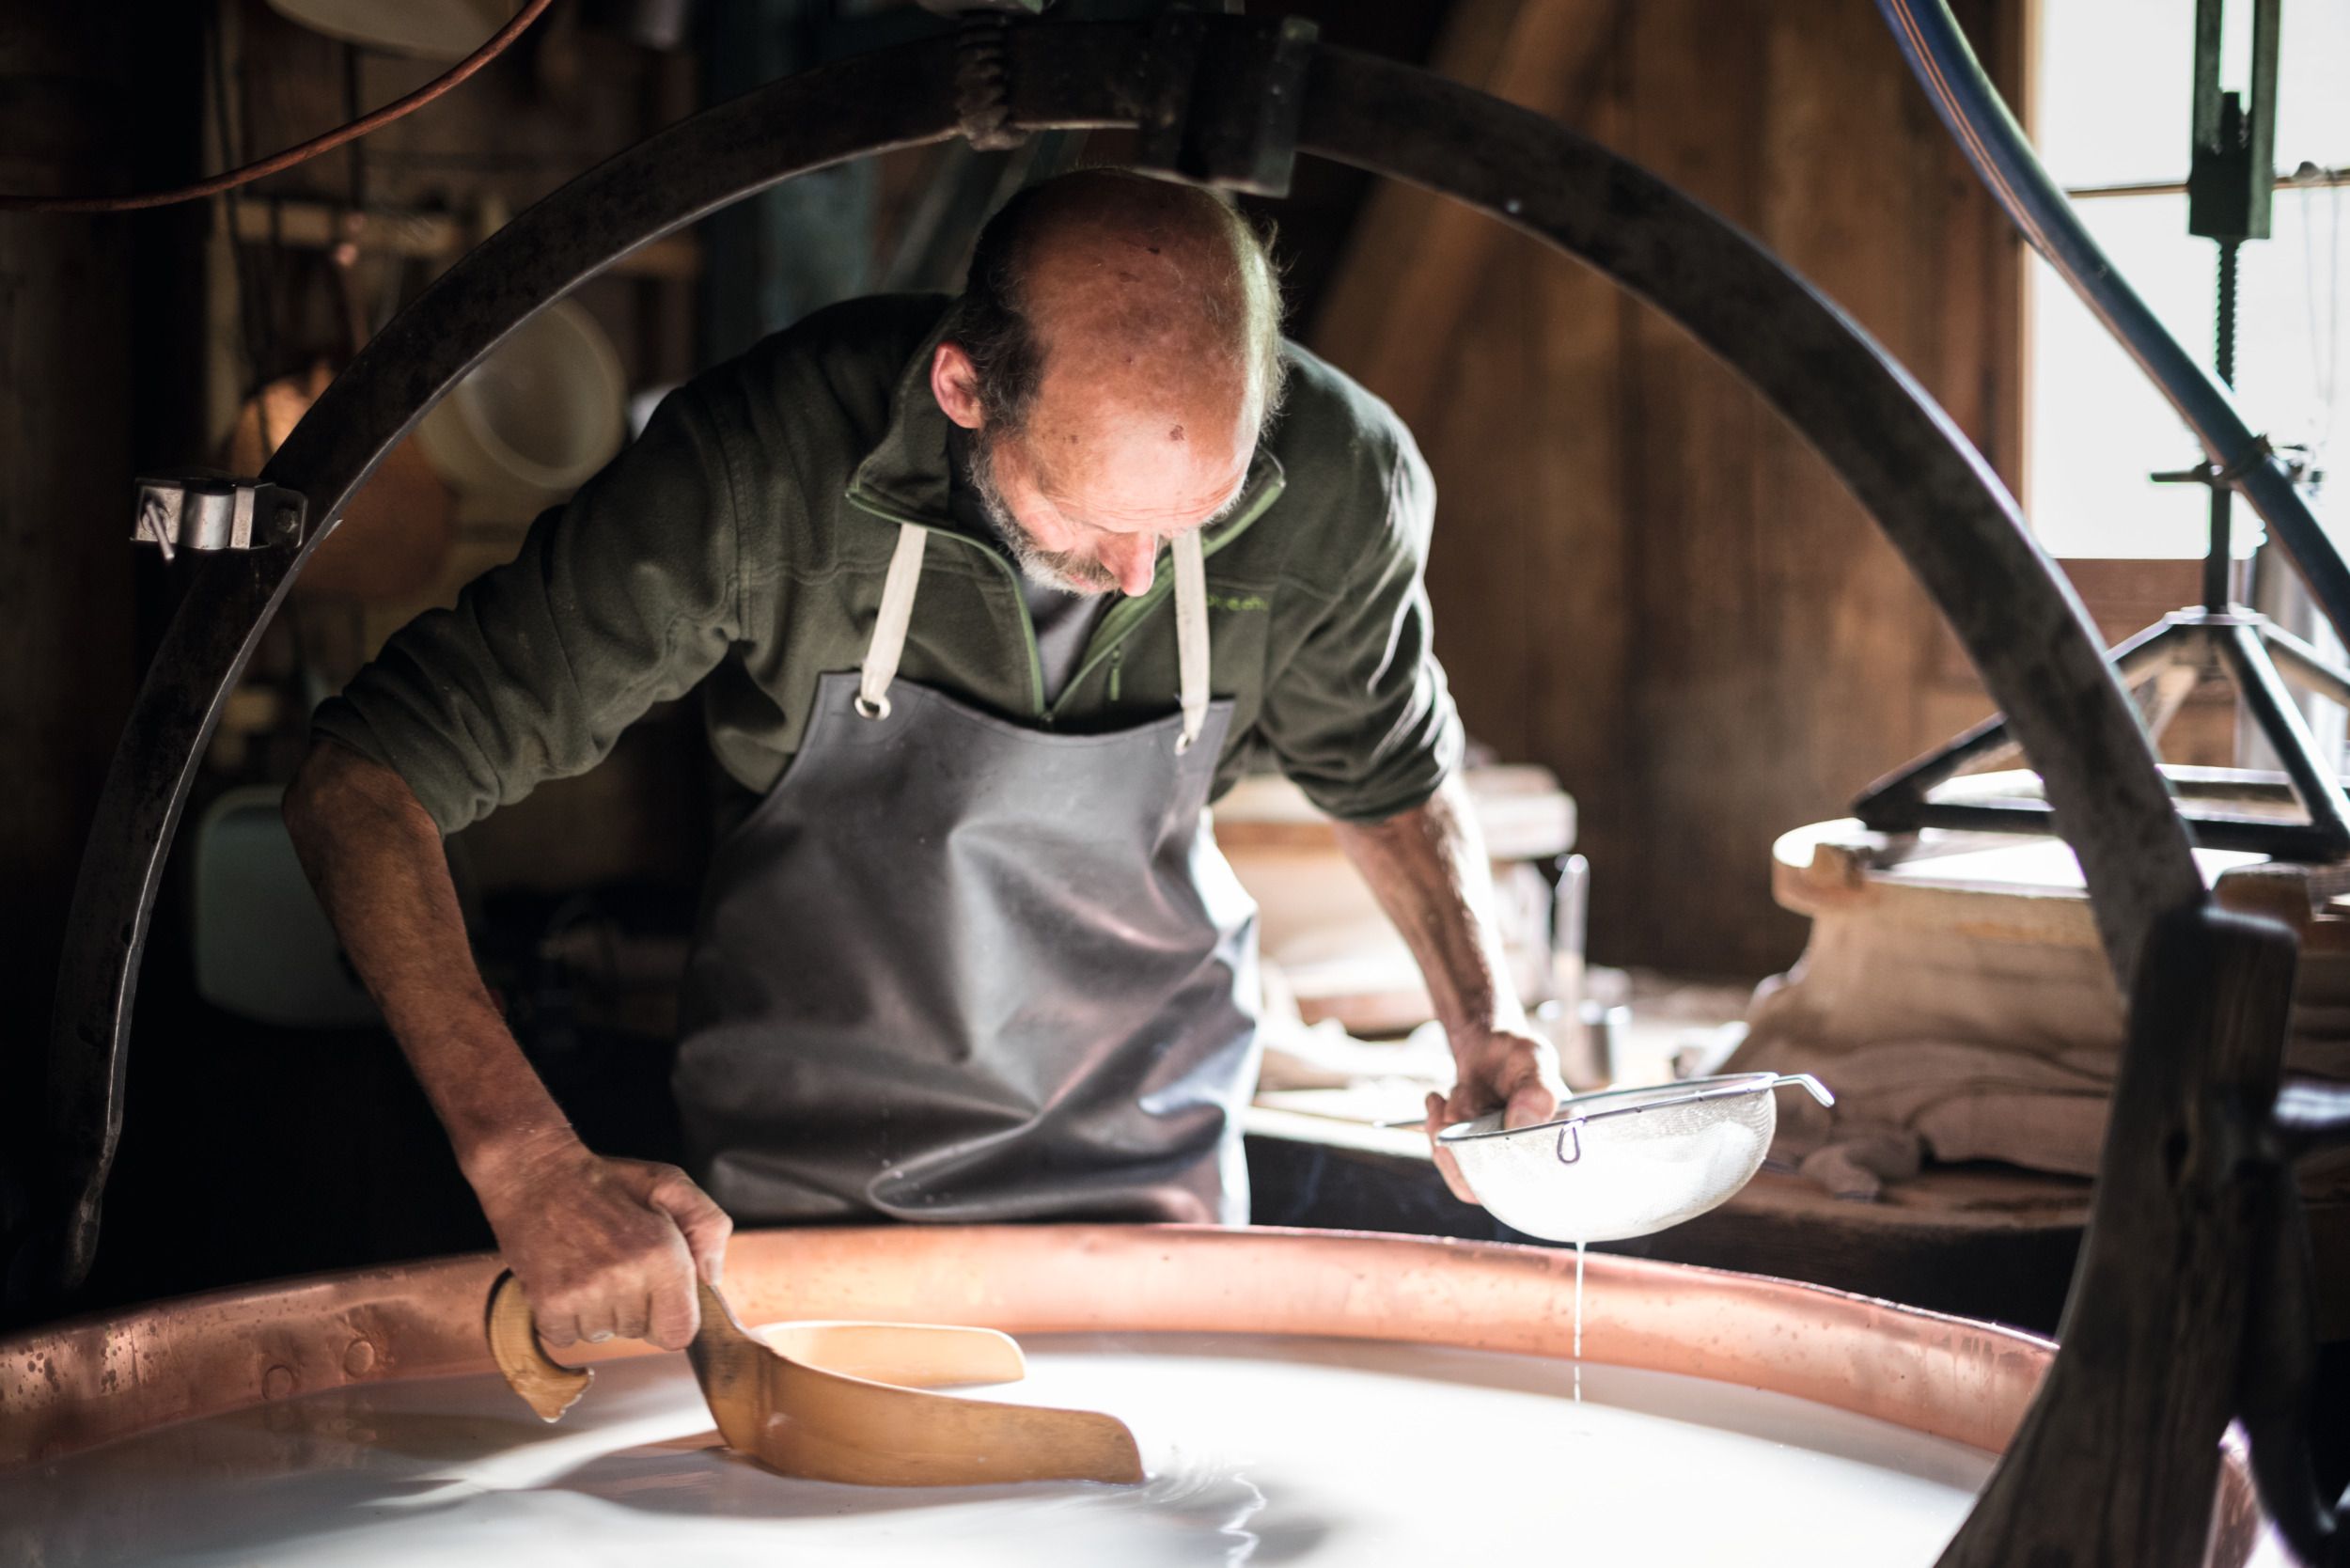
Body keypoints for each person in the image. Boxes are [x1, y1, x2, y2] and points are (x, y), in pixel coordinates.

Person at [285, 167, 1562, 1356]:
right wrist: (527, 1163)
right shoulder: (764, 466)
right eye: (1095, 518)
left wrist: (1484, 1020)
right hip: (799, 1215)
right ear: (964, 389)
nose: (1143, 574)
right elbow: (362, 784)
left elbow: (1387, 771)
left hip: (1157, 1209)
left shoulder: (1342, 475)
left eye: (1198, 519)